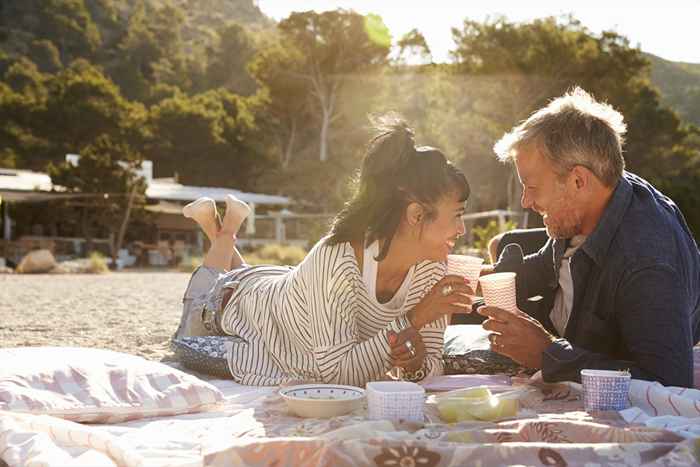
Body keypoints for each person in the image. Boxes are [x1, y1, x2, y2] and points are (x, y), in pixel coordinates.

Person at [174, 115, 474, 386]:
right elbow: (337, 375)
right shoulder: (339, 259)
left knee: (248, 275)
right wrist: (414, 319)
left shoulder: (433, 268)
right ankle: (222, 232)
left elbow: (432, 367)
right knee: (192, 326)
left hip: (294, 293)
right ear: (416, 215)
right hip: (238, 304)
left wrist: (415, 363)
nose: (461, 230)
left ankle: (222, 227)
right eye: (457, 215)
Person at [478, 87, 700, 387]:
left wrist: (547, 353)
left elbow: (668, 383)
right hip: (568, 331)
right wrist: (472, 284)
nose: (525, 202)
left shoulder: (647, 263)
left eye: (532, 186)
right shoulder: (587, 204)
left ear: (578, 181)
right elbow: (547, 264)